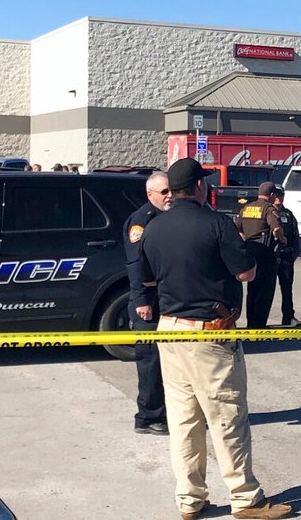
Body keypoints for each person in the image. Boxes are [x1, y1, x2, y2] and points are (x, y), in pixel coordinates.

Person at [138, 158, 292, 520]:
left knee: (183, 421)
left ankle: (190, 500)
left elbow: (146, 281)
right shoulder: (215, 224)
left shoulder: (153, 229)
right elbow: (247, 272)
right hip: (209, 334)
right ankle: (245, 498)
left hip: (169, 330)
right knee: (226, 417)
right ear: (198, 187)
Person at [123, 172, 172, 436]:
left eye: (171, 190)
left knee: (167, 358)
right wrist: (142, 299)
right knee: (150, 360)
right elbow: (136, 263)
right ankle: (148, 417)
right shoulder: (142, 221)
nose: (169, 195)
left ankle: (164, 411)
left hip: (165, 297)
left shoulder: (166, 218)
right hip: (147, 302)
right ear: (150, 194)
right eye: (163, 191)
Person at [235, 181, 286, 329]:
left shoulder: (247, 208)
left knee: (252, 290)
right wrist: (282, 238)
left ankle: (251, 323)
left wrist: (246, 240)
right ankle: (259, 325)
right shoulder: (269, 209)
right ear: (271, 195)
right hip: (265, 253)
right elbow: (276, 229)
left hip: (250, 251)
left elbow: (238, 228)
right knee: (265, 290)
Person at [272, 186, 301, 327]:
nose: (279, 197)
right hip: (269, 258)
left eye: (282, 194)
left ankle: (288, 317)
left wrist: (293, 255)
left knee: (287, 289)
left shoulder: (288, 214)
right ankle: (258, 321)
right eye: (277, 194)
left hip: (285, 257)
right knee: (265, 290)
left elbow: (296, 237)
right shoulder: (266, 212)